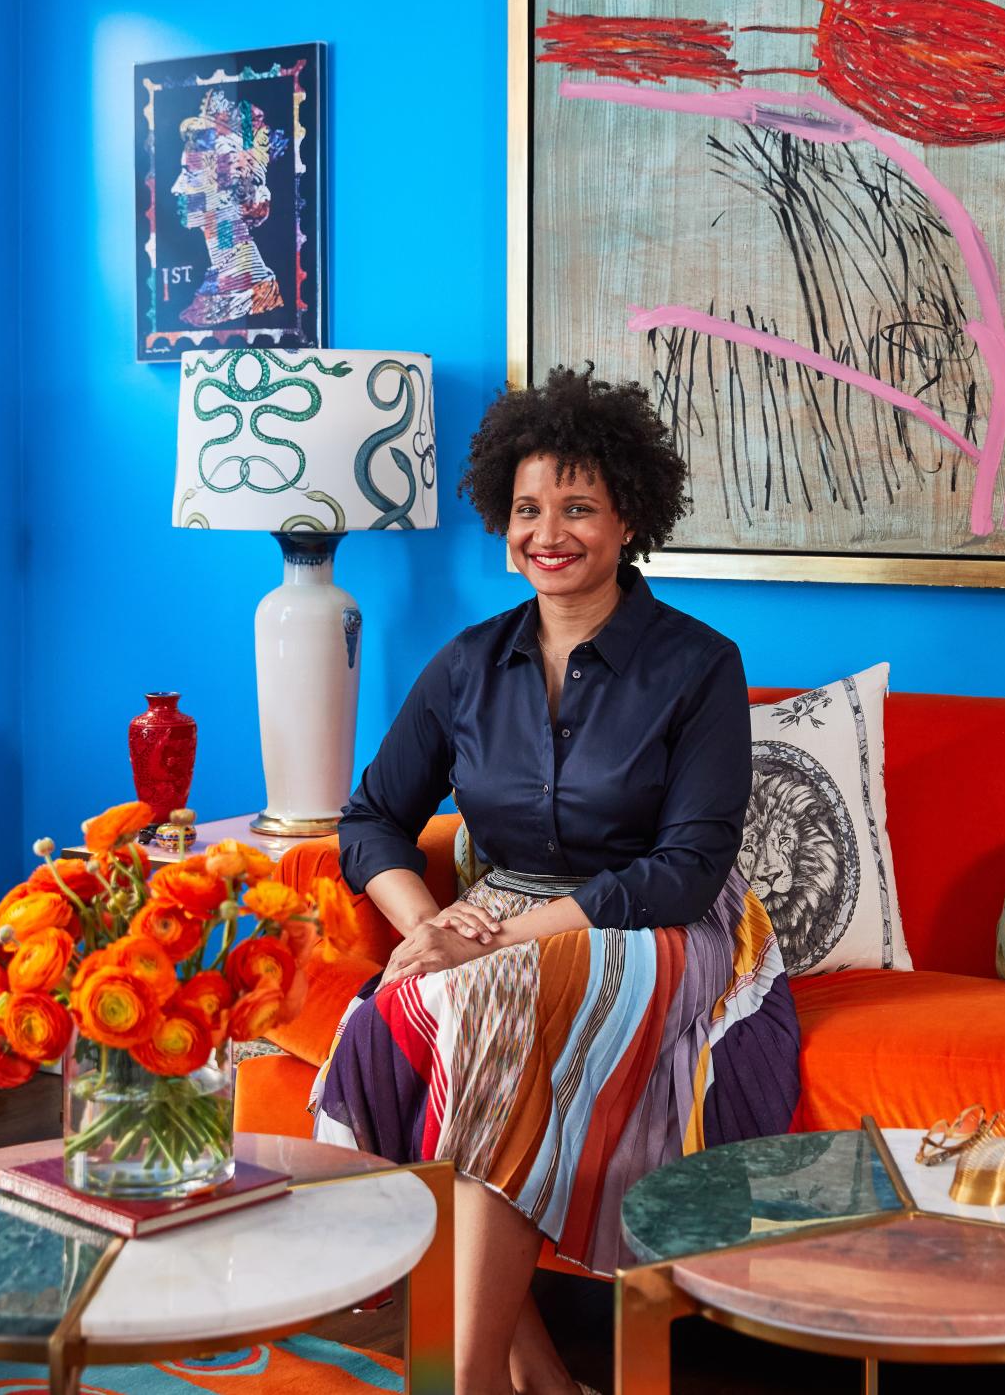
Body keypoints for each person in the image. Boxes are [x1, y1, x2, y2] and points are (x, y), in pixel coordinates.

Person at [314, 367, 800, 1395]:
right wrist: (428, 924)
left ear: (629, 517)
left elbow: (686, 866)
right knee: (393, 1012)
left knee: (487, 1009)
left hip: (664, 920)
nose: (549, 532)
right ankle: (529, 1376)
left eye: (577, 507)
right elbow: (372, 817)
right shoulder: (466, 664)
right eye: (529, 508)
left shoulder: (699, 663)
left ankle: (464, 1376)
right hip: (496, 915)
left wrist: (504, 941)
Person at [170, 88, 285, 326]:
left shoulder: (251, 289)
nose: (176, 188)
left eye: (189, 175)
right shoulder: (219, 284)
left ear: (223, 192)